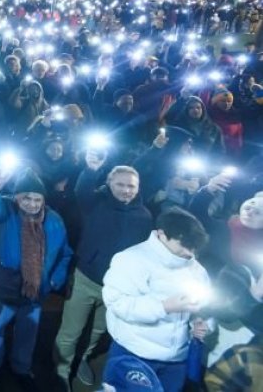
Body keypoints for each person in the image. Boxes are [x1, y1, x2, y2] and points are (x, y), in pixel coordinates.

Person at [54, 161, 153, 388]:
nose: (126, 190)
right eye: (120, 184)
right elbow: (81, 190)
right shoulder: (95, 203)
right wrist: (90, 170)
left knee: (98, 331)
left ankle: (82, 359)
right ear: (109, 184)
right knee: (71, 332)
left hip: (118, 287)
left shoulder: (145, 216)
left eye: (131, 186)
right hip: (86, 279)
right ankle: (61, 371)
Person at [0, 166, 73, 389]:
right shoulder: (5, 211)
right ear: (17, 198)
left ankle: (21, 368)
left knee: (27, 333)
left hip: (36, 290)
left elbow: (65, 253)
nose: (32, 203)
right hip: (4, 286)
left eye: (37, 199)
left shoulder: (54, 220)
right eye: (26, 198)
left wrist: (54, 280)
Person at [102, 207, 213, 392]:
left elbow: (204, 306)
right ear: (162, 234)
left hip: (176, 359)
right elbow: (117, 303)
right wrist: (164, 307)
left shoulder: (196, 270)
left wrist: (199, 322)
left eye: (193, 246)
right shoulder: (131, 259)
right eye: (184, 244)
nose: (189, 252)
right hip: (135, 353)